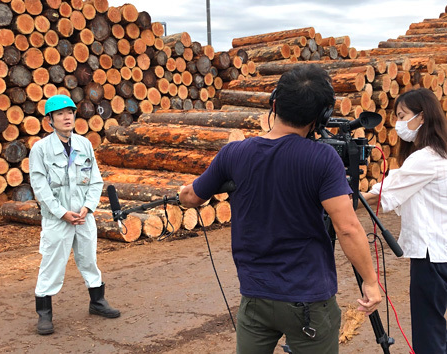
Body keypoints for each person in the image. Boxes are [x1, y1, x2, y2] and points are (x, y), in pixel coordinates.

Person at [178, 64, 381, 354]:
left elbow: (191, 197)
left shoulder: (234, 153)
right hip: (308, 300)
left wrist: (182, 193)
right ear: (320, 116)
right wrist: (371, 283)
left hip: (255, 297)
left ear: (274, 103)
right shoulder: (322, 159)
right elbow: (347, 227)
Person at [362, 88, 447, 354]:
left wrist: (341, 197)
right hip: (440, 251)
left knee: (428, 331)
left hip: (431, 256)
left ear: (421, 117)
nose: (398, 123)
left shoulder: (425, 158)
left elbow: (383, 193)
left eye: (402, 115)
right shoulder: (440, 154)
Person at [29, 94, 120, 335]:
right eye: (59, 114)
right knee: (52, 265)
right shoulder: (40, 149)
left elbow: (95, 180)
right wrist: (62, 213)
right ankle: (45, 314)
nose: (66, 117)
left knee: (89, 260)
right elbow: (40, 187)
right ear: (50, 120)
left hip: (83, 217)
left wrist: (87, 208)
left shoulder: (84, 145)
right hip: (57, 220)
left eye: (69, 112)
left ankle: (97, 302)